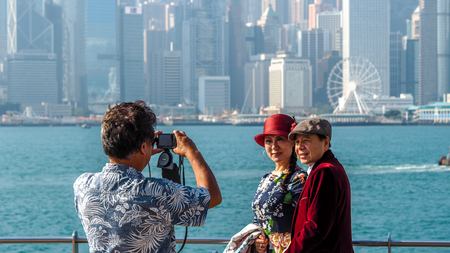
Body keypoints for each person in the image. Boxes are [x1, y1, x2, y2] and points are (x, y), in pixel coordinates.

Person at [73, 100, 221, 253]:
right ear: (144, 147)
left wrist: (145, 150)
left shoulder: (83, 185)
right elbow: (213, 196)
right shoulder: (156, 192)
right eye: (148, 145)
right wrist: (192, 153)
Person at [286, 118, 353, 253]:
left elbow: (316, 227)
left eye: (306, 141)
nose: (299, 147)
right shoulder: (332, 168)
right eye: (297, 142)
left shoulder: (324, 172)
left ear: (326, 143)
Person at [252, 114, 308, 253]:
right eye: (269, 141)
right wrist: (257, 240)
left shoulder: (299, 179)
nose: (274, 146)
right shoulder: (266, 179)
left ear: (292, 142)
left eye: (280, 139)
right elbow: (258, 219)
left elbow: (306, 223)